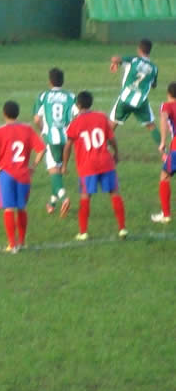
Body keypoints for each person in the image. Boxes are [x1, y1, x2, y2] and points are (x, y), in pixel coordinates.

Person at [63, 90, 127, 241]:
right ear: (91, 103)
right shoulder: (101, 117)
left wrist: (64, 164)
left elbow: (68, 146)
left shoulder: (75, 123)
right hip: (106, 162)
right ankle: (122, 228)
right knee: (114, 193)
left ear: (78, 105)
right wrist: (116, 153)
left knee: (85, 196)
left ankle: (83, 232)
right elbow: (112, 139)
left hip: (87, 166)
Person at [0, 100, 46, 253]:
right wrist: (33, 166)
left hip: (6, 174)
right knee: (21, 208)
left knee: (8, 209)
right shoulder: (27, 130)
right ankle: (23, 241)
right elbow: (41, 149)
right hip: (23, 174)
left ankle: (12, 245)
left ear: (4, 114)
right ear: (18, 113)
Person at [32, 67, 77, 217]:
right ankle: (51, 203)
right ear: (62, 81)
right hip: (67, 139)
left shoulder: (43, 96)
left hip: (51, 138)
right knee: (57, 171)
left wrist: (42, 130)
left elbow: (37, 119)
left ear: (49, 81)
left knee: (53, 172)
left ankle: (64, 199)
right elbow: (78, 115)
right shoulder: (71, 96)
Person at [108, 38, 161, 147]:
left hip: (125, 99)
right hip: (140, 102)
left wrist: (114, 63)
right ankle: (164, 152)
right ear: (149, 51)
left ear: (139, 49)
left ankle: (102, 149)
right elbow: (154, 85)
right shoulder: (154, 68)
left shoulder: (134, 60)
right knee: (151, 126)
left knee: (112, 125)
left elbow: (115, 58)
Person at [151, 82, 176, 224]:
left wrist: (162, 141)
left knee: (164, 176)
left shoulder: (167, 106)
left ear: (168, 94)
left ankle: (166, 215)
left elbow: (164, 117)